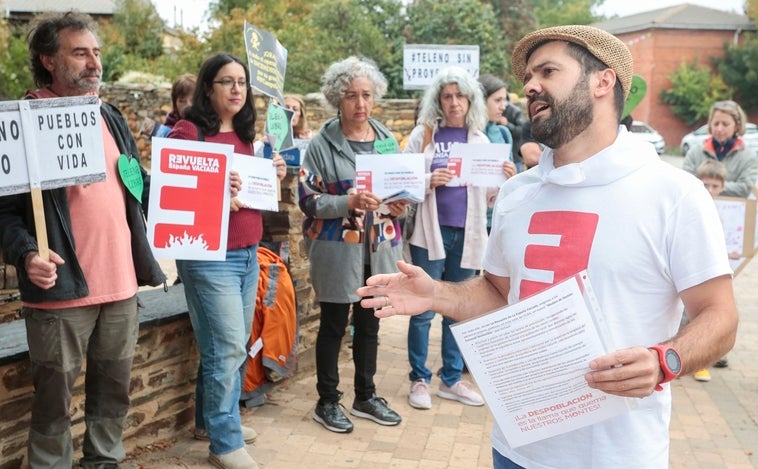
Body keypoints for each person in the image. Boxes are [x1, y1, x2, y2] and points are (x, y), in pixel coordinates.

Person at [358, 25, 738, 468]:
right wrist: (439, 293)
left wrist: (665, 360)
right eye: (527, 78)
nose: (530, 86)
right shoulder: (518, 193)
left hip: (617, 455)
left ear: (603, 80)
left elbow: (721, 315)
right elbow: (500, 294)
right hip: (516, 449)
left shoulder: (674, 193)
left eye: (548, 71)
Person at [0, 11, 166, 468]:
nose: (94, 62)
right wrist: (26, 254)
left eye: (96, 52)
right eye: (80, 53)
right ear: (48, 60)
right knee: (53, 407)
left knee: (113, 396)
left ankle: (104, 462)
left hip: (121, 288)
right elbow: (5, 213)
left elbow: (138, 186)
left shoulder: (110, 116)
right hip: (61, 294)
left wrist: (211, 195)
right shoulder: (23, 122)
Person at [167, 52, 286, 469]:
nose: (237, 90)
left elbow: (257, 192)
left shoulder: (250, 134)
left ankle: (217, 420)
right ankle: (225, 442)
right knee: (228, 346)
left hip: (248, 251)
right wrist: (219, 192)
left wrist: (274, 172)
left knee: (227, 345)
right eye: (227, 82)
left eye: (242, 82)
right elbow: (173, 187)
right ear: (208, 87)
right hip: (208, 255)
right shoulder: (189, 131)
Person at [298, 56, 407, 434]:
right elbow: (307, 199)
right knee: (332, 326)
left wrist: (399, 205)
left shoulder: (388, 141)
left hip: (379, 248)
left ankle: (365, 395)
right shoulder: (320, 145)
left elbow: (400, 197)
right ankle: (327, 401)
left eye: (366, 95)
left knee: (370, 325)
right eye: (350, 96)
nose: (360, 104)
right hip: (336, 248)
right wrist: (348, 202)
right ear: (335, 99)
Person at [402, 66, 501, 411]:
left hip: (468, 233)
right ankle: (419, 378)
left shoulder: (480, 140)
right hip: (429, 232)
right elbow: (401, 184)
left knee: (459, 308)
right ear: (438, 100)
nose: (454, 102)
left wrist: (506, 178)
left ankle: (452, 378)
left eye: (460, 95)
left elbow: (491, 197)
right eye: (447, 96)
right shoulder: (424, 135)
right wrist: (427, 180)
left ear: (471, 99)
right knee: (423, 308)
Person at [682, 100, 758, 197]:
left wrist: (713, 186)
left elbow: (745, 188)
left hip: (731, 210)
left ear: (737, 126)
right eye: (716, 124)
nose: (719, 129)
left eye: (725, 124)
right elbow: (686, 182)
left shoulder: (748, 157)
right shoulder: (695, 152)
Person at [478, 73, 518, 233]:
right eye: (497, 100)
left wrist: (513, 174)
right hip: (472, 221)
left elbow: (512, 180)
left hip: (498, 218)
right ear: (480, 101)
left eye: (504, 100)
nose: (504, 106)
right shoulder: (467, 135)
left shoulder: (503, 133)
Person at [502, 92, 528, 172]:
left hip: (514, 155)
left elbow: (521, 131)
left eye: (502, 100)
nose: (501, 107)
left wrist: (507, 124)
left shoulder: (515, 111)